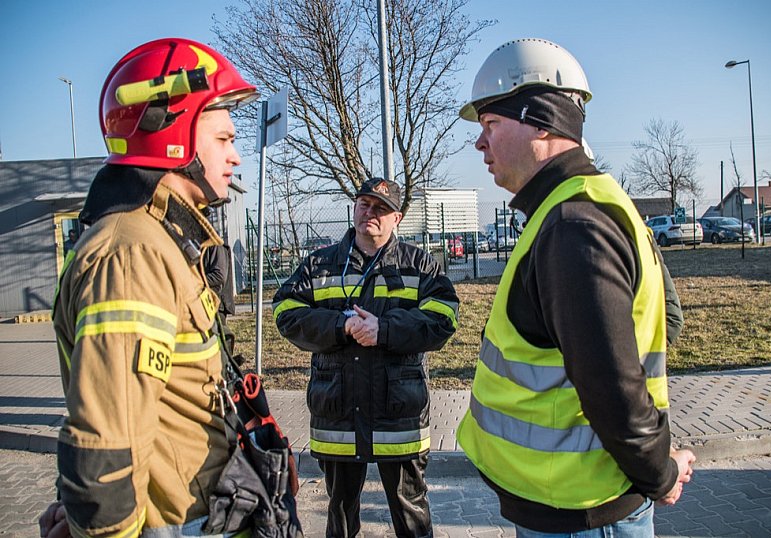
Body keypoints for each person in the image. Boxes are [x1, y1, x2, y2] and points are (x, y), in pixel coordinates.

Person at [455, 38, 696, 536]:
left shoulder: (573, 225)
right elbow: (661, 321)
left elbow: (614, 386)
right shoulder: (586, 204)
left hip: (582, 512)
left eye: (491, 125)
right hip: (572, 503)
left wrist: (660, 474)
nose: (480, 144)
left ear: (542, 121)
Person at [40, 38, 261, 537]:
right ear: (174, 133)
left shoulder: (160, 239)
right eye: (224, 139)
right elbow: (106, 451)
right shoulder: (132, 255)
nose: (237, 157)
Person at [272, 177, 460, 538]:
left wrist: (384, 330)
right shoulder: (320, 265)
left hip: (399, 416)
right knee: (340, 514)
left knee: (411, 513)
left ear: (397, 218)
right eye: (364, 204)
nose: (369, 213)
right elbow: (286, 311)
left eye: (381, 208)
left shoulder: (419, 266)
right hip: (338, 414)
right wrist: (340, 326)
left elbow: (444, 317)